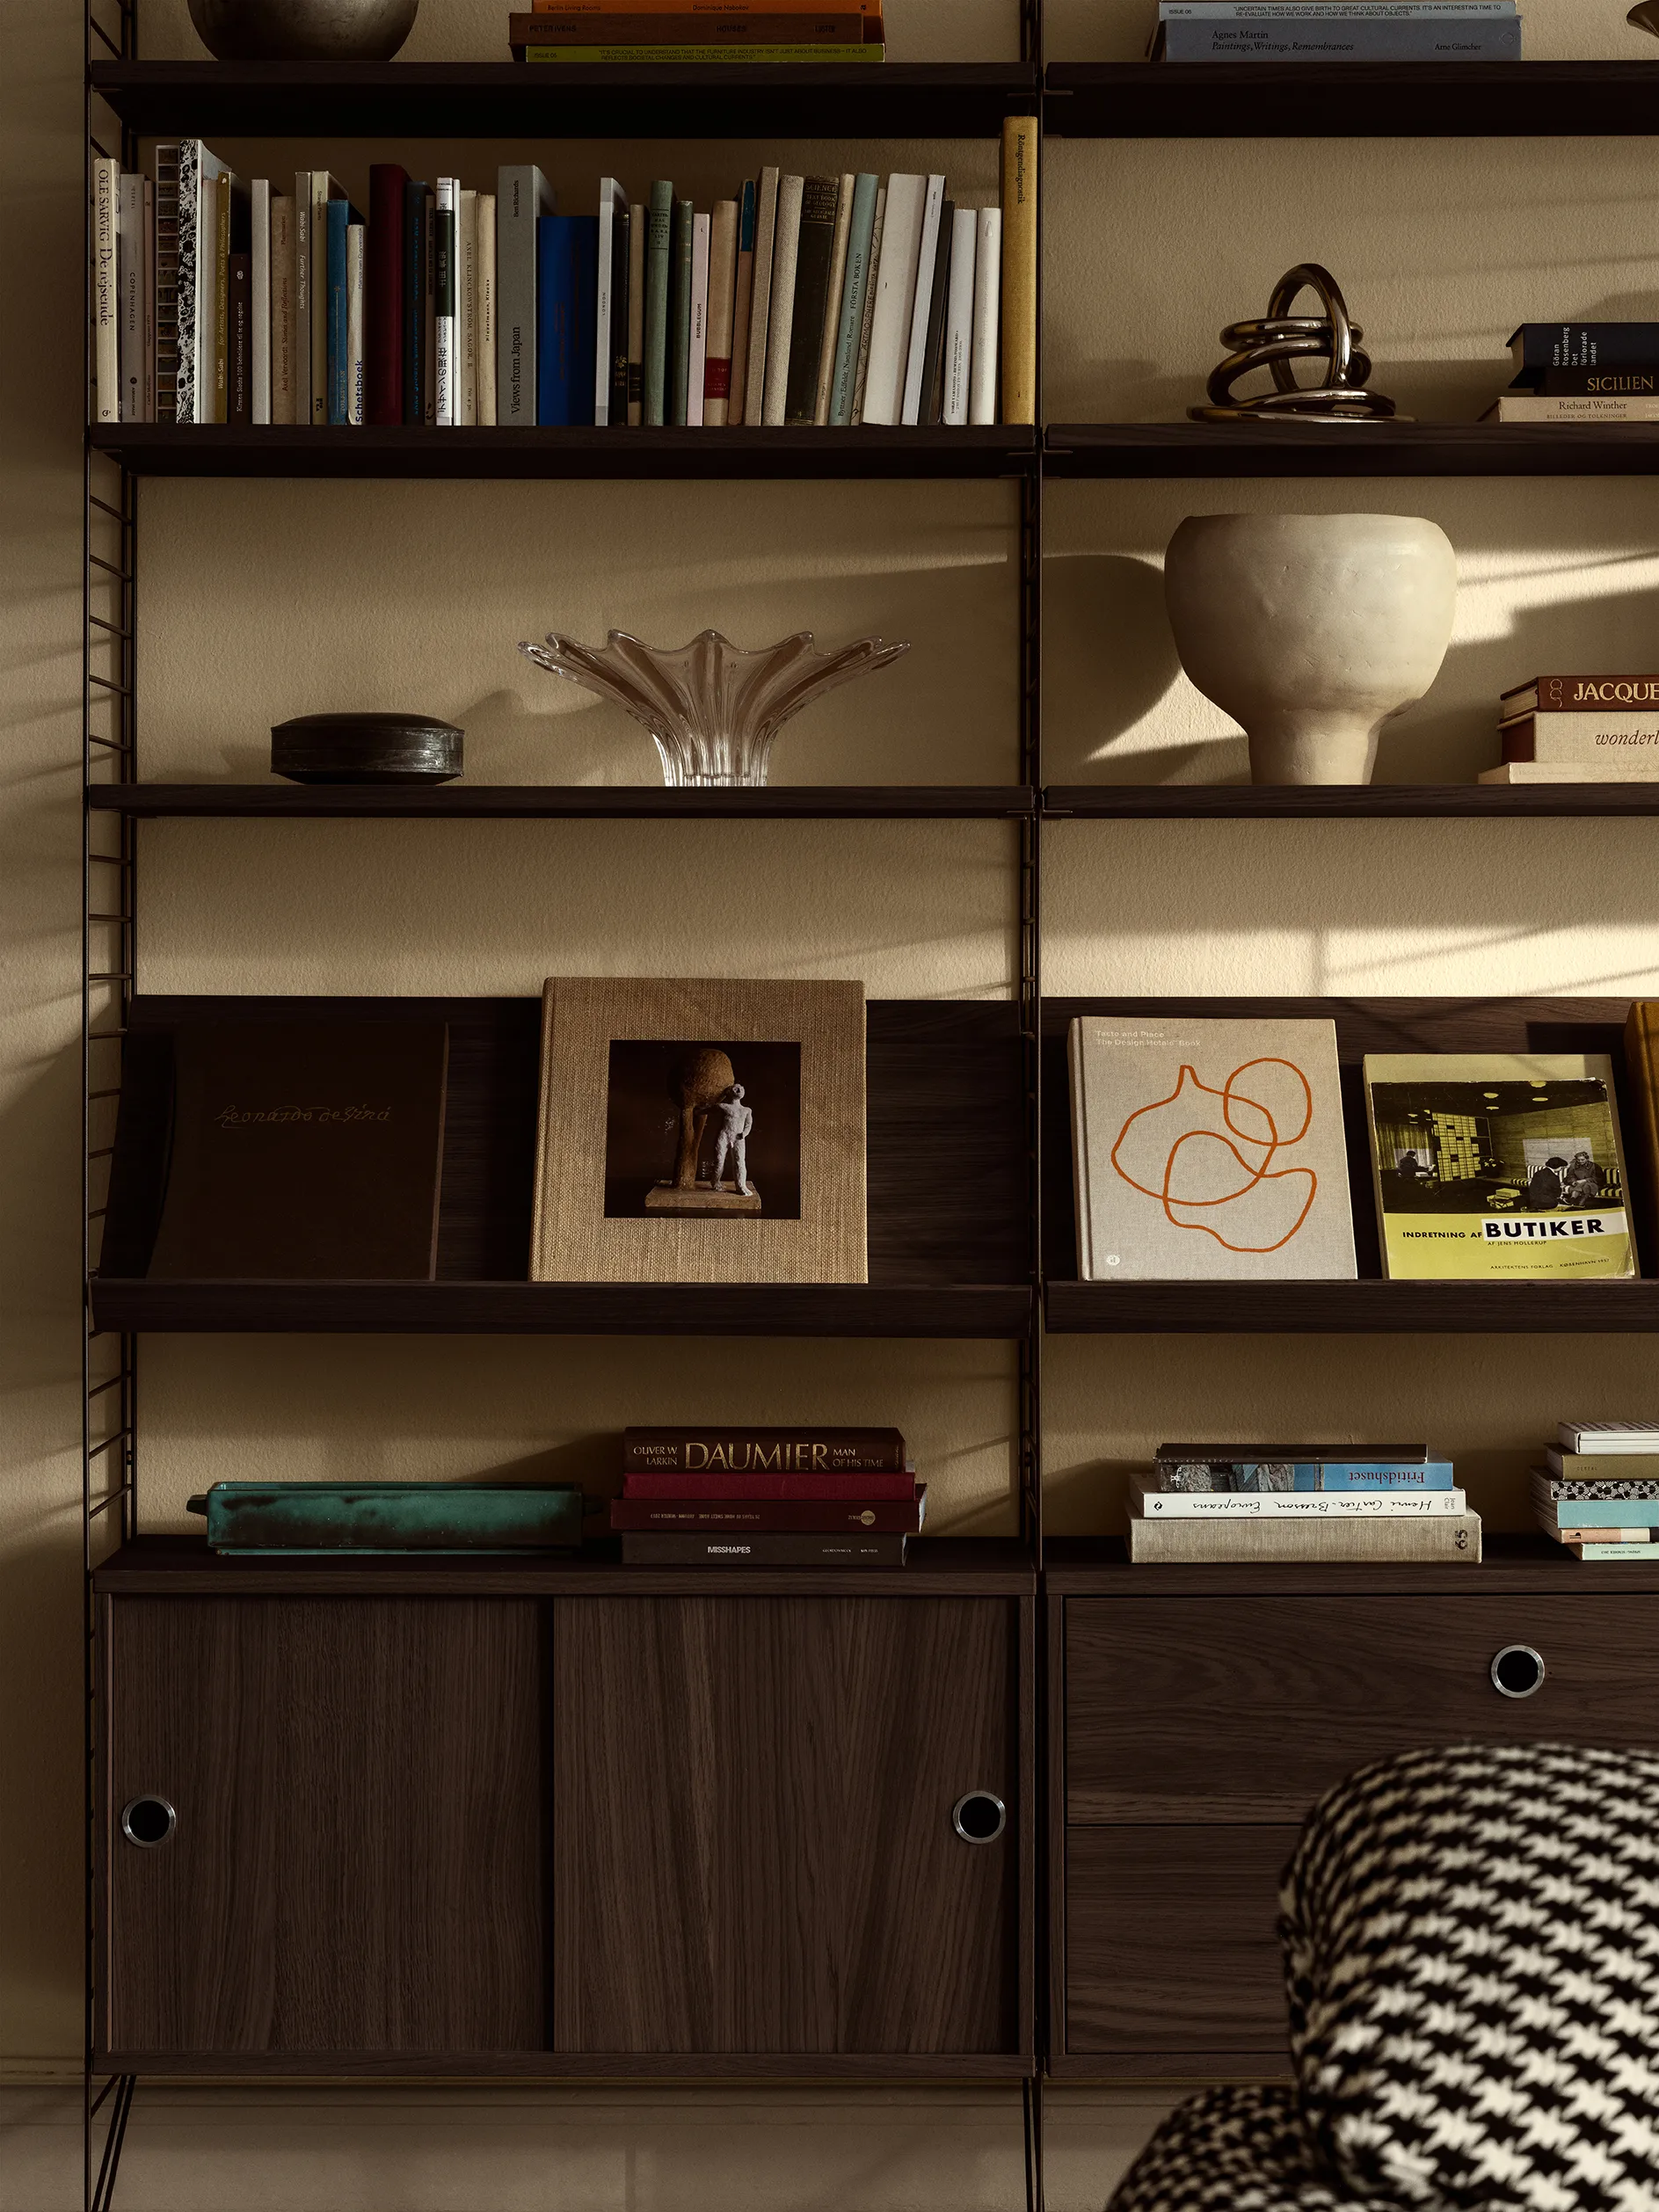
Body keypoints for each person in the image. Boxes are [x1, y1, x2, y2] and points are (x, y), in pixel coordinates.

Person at [705, 1083, 753, 1197]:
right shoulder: (724, 1106)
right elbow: (709, 1109)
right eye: (736, 1088)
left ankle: (741, 1186)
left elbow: (748, 1124)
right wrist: (696, 1111)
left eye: (741, 1088)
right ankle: (715, 1182)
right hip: (725, 1135)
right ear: (729, 1092)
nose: (739, 1089)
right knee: (719, 1160)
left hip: (738, 1137)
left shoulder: (746, 1110)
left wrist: (744, 1134)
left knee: (740, 1161)